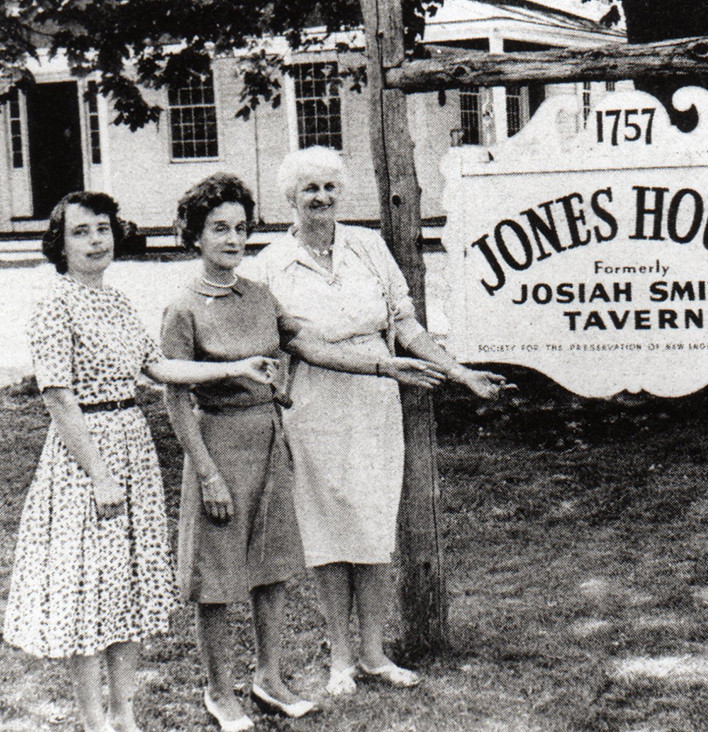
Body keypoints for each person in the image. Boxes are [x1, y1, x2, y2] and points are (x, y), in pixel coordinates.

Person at [162, 173, 446, 730]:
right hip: (218, 447)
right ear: (194, 236)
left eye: (241, 228)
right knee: (217, 579)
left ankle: (268, 679)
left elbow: (310, 344)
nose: (232, 239)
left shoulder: (259, 296)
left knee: (272, 570)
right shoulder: (183, 306)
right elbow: (175, 399)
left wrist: (387, 364)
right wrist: (207, 473)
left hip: (269, 442)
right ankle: (219, 691)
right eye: (218, 229)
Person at [2, 191, 277, 732]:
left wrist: (234, 367)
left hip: (133, 446)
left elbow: (161, 368)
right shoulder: (54, 304)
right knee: (87, 591)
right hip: (87, 460)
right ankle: (93, 720)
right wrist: (99, 475)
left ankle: (125, 714)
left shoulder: (117, 301)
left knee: (125, 587)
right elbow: (59, 397)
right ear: (59, 243)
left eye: (103, 229)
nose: (96, 240)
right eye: (82, 232)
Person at [243, 146, 506, 695]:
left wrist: (461, 374)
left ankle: (373, 653)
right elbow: (294, 342)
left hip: (376, 404)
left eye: (330, 188)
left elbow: (404, 324)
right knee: (326, 529)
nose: (321, 198)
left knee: (372, 524)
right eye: (309, 189)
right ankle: (340, 657)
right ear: (290, 197)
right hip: (312, 403)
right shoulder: (267, 265)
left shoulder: (367, 247)